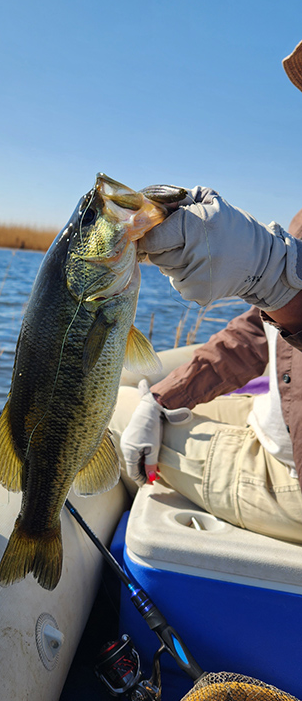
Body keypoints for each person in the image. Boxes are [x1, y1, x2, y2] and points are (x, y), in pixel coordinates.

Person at [115, 40, 302, 543]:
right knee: (139, 400)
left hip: (292, 478)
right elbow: (262, 332)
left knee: (115, 419)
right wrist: (165, 397)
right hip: (280, 419)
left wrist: (271, 274)